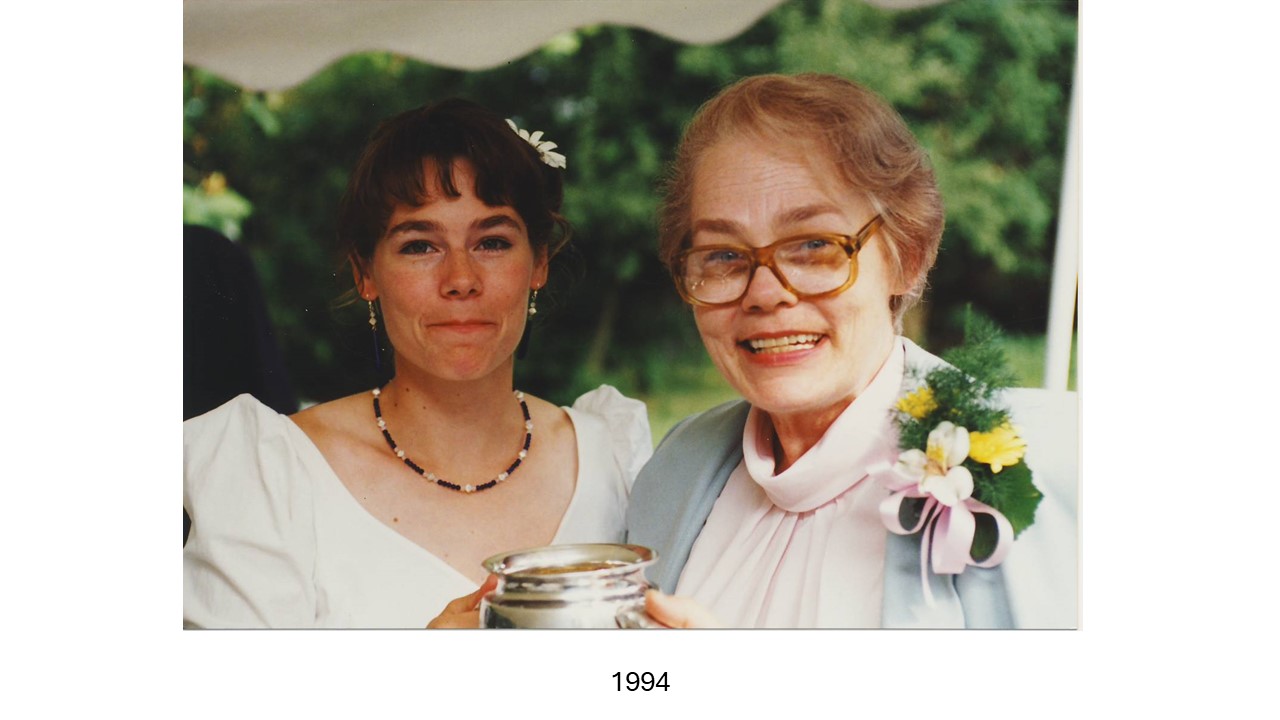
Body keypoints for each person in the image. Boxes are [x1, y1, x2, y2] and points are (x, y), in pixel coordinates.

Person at [627, 73, 1077, 629]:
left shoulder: (1044, 463)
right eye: (723, 255)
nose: (765, 292)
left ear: (908, 255)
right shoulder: (676, 464)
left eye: (815, 246)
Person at [183, 99, 652, 628]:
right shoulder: (271, 475)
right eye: (420, 246)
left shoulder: (614, 457)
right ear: (366, 274)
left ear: (538, 263)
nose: (461, 279)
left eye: (492, 242)